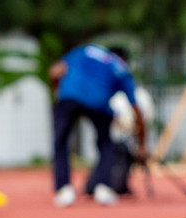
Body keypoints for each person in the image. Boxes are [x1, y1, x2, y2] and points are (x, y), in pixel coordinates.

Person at [47, 43, 147, 207]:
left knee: (61, 141)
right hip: (99, 102)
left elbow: (55, 71)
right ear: (124, 58)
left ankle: (63, 189)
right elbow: (137, 110)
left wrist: (57, 90)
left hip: (69, 96)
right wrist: (142, 144)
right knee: (106, 143)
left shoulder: (85, 50)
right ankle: (104, 187)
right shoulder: (120, 67)